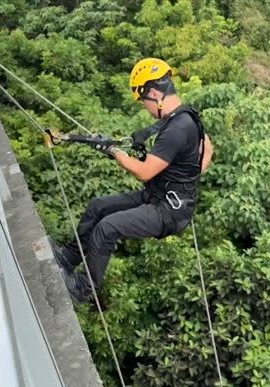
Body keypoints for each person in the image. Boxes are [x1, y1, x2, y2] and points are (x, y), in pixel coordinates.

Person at [50, 58, 215, 302]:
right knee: (99, 207)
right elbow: (207, 149)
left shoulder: (176, 129)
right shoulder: (186, 116)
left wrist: (114, 151)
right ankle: (68, 258)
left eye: (144, 100)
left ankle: (82, 289)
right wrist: (186, 177)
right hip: (158, 196)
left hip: (169, 211)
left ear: (156, 93)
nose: (145, 107)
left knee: (107, 228)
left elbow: (144, 172)